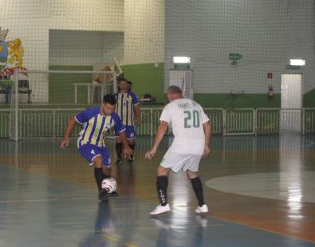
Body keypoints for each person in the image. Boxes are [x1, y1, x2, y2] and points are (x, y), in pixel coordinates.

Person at [145, 86, 211, 215]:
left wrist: (154, 148)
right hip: (198, 145)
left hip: (182, 145)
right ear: (181, 94)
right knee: (192, 173)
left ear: (169, 95)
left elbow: (163, 126)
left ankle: (163, 205)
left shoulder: (169, 106)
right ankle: (202, 205)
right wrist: (206, 145)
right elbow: (207, 125)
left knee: (162, 170)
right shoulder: (195, 104)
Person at [61, 94, 132, 201]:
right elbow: (73, 120)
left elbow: (121, 131)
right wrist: (66, 137)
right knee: (98, 160)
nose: (110, 111)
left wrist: (126, 146)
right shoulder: (90, 113)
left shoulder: (114, 117)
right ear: (102, 105)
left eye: (113, 108)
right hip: (85, 142)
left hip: (100, 145)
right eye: (108, 108)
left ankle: (108, 189)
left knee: (107, 170)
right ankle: (101, 192)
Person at [115, 78, 141, 164]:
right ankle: (119, 158)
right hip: (118, 123)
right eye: (121, 84)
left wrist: (138, 118)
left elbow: (137, 107)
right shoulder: (115, 96)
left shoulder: (132, 95)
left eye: (125, 84)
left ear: (127, 85)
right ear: (119, 85)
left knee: (131, 141)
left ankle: (131, 156)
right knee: (118, 140)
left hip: (129, 122)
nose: (123, 86)